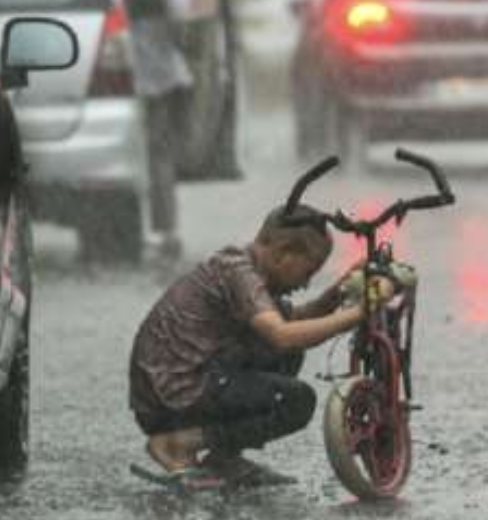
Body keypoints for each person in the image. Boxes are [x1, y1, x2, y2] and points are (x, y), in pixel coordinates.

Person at [128, 203, 394, 486]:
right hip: (173, 397)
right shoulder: (239, 273)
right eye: (308, 271)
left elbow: (295, 321)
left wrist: (340, 290)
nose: (306, 283)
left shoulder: (245, 269)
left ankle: (222, 458)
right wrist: (357, 314)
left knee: (286, 355)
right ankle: (178, 444)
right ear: (283, 253)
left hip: (174, 390)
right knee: (297, 401)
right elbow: (283, 334)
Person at [105, 0, 193, 260]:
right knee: (161, 156)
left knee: (122, 159)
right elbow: (181, 16)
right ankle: (166, 231)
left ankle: (121, 232)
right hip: (165, 77)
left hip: (118, 81)